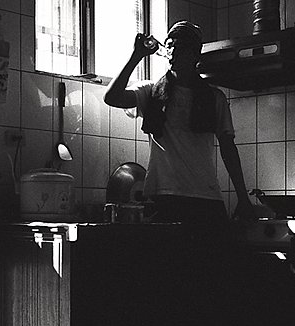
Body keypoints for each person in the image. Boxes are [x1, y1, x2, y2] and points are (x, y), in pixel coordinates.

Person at [104, 21, 255, 225]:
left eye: (181, 47)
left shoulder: (214, 98)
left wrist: (243, 197)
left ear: (194, 55)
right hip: (163, 196)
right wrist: (136, 56)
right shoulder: (151, 92)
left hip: (206, 198)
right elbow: (112, 97)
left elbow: (228, 149)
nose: (173, 51)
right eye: (170, 46)